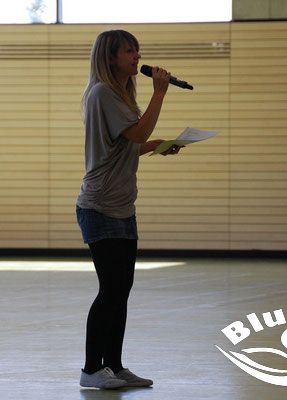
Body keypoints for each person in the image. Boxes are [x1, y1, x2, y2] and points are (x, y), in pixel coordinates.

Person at [76, 29, 182, 390]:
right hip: (100, 206)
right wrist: (160, 92)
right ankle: (92, 370)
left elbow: (127, 145)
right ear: (110, 57)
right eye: (128, 51)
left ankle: (115, 367)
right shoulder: (102, 93)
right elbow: (136, 133)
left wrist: (158, 145)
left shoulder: (118, 94)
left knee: (121, 289)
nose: (137, 56)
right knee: (111, 289)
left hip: (121, 205)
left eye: (137, 50)